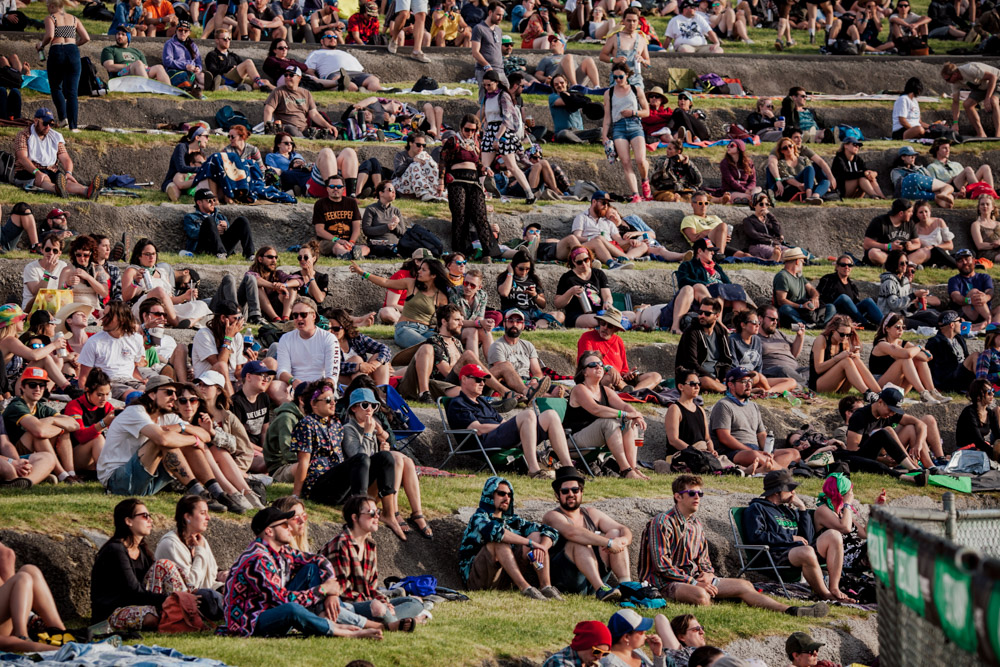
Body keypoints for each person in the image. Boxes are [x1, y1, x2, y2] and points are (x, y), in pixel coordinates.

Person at [639, 474, 828, 616]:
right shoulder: (662, 522)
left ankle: (790, 610)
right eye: (692, 493)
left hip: (695, 579)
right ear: (677, 497)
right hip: (665, 583)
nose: (697, 497)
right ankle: (710, 618)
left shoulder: (695, 524)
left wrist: (708, 573)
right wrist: (694, 582)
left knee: (745, 585)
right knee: (700, 596)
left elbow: (704, 560)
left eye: (700, 493)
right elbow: (662, 565)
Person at [223, 505, 378, 638]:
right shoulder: (258, 559)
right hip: (250, 622)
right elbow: (282, 600)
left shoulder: (282, 551)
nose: (290, 527)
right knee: (291, 609)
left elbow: (319, 560)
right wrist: (323, 589)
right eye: (284, 525)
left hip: (271, 610)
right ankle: (338, 628)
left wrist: (331, 592)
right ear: (269, 531)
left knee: (311, 569)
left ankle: (326, 619)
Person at [743, 469, 853, 602]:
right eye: (790, 489)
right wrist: (790, 538)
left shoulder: (788, 510)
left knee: (834, 535)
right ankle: (825, 594)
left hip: (797, 551)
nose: (793, 492)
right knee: (806, 551)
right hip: (774, 554)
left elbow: (808, 538)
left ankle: (834, 588)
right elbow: (756, 536)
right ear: (777, 492)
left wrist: (802, 509)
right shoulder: (757, 508)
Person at [447, 363, 572, 479]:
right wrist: (513, 426)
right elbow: (477, 429)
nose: (483, 384)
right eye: (478, 379)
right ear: (464, 379)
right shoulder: (458, 403)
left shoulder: (482, 401)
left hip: (503, 437)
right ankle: (534, 470)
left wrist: (513, 426)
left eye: (484, 380)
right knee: (528, 414)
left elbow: (502, 422)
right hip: (485, 442)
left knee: (551, 415)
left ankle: (569, 469)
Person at [320, 495, 425, 629]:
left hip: (366, 602)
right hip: (345, 604)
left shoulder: (370, 545)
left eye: (378, 512)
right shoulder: (340, 545)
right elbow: (342, 591)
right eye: (371, 513)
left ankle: (391, 619)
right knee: (378, 608)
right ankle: (398, 622)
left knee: (415, 602)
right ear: (354, 517)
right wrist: (375, 604)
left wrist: (383, 601)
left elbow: (371, 587)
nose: (377, 516)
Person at [457, 475, 561, 600]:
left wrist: (541, 547)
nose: (507, 498)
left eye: (509, 495)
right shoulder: (479, 517)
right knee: (499, 542)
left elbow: (550, 531)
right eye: (501, 493)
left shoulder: (513, 520)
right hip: (478, 579)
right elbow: (496, 532)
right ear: (490, 494)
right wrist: (529, 542)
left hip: (505, 579)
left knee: (537, 535)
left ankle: (546, 587)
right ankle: (526, 588)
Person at [543, 468, 633, 601]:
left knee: (615, 533)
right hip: (567, 580)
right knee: (579, 540)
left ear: (581, 492)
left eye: (575, 490)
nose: (571, 494)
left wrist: (623, 540)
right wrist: (608, 543)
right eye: (565, 491)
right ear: (557, 495)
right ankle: (601, 589)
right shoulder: (552, 516)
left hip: (590, 579)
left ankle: (627, 587)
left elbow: (622, 528)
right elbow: (572, 532)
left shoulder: (591, 513)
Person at [90, 499, 175, 631]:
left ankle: (181, 605)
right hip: (111, 612)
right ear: (128, 521)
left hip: (136, 604)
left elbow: (150, 583)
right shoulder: (116, 550)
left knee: (164, 565)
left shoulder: (142, 550)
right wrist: (169, 600)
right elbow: (134, 591)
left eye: (149, 516)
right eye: (144, 516)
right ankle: (176, 608)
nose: (150, 520)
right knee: (150, 618)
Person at [567, 352, 648, 481]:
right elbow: (596, 409)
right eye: (593, 365)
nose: (598, 367)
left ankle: (633, 469)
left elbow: (624, 406)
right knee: (609, 422)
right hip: (574, 441)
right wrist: (626, 414)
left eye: (600, 364)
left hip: (595, 437)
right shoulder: (579, 389)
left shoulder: (605, 390)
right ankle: (625, 470)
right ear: (584, 372)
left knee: (628, 422)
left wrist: (636, 416)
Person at [194, 370, 265, 510]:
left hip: (228, 463)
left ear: (219, 391)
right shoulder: (192, 410)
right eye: (200, 384)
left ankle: (246, 493)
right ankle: (242, 491)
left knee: (222, 451)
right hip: (205, 462)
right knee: (218, 450)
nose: (201, 388)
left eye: (207, 385)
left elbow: (242, 448)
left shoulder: (228, 416)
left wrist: (235, 470)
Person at [710, 367, 801, 470]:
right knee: (754, 455)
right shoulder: (724, 405)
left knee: (794, 453)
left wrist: (767, 452)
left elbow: (761, 434)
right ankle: (780, 470)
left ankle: (768, 469)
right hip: (735, 451)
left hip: (756, 450)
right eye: (744, 381)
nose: (749, 385)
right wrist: (750, 450)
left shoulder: (753, 406)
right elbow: (724, 438)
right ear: (731, 385)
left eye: (750, 381)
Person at [3, 367, 80, 483]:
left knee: (63, 431)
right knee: (39, 435)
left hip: (34, 453)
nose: (38, 389)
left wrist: (52, 421)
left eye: (42, 385)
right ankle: (63, 476)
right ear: (22, 387)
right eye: (32, 385)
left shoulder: (40, 407)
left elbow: (75, 424)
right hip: (12, 455)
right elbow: (39, 431)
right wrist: (59, 427)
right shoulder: (17, 405)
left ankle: (71, 474)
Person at [350, 258, 450, 348]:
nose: (419, 271)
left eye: (423, 270)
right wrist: (362, 273)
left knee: (444, 344)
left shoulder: (440, 296)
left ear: (433, 275)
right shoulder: (411, 283)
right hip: (405, 328)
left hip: (425, 330)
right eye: (420, 268)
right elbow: (385, 282)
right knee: (428, 346)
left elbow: (446, 318)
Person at [153, 495, 225, 616]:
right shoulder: (171, 544)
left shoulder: (201, 540)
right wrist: (200, 552)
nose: (208, 518)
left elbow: (209, 579)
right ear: (187, 517)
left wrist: (223, 586)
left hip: (203, 592)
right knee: (209, 597)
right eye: (203, 513)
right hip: (184, 599)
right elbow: (191, 585)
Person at [845, 386, 939, 476]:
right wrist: (881, 460)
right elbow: (853, 452)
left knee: (911, 428)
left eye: (894, 411)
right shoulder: (860, 416)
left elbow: (921, 424)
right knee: (888, 430)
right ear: (880, 402)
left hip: (888, 452)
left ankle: (930, 467)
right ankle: (914, 467)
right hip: (867, 457)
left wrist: (918, 444)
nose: (891, 414)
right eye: (890, 410)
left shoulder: (890, 413)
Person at [11, 109, 103, 199]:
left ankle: (87, 191)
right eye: (45, 123)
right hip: (29, 170)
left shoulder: (55, 136)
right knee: (45, 179)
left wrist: (68, 172)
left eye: (51, 124)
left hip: (51, 169)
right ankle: (56, 189)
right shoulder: (23, 135)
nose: (48, 127)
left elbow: (65, 157)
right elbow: (22, 158)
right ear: (36, 121)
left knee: (66, 180)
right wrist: (37, 172)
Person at [123, 239, 210, 328]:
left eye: (153, 254)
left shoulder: (162, 272)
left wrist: (184, 297)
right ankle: (176, 323)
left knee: (201, 305)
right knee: (158, 291)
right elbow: (126, 297)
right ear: (139, 256)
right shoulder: (132, 270)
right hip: (143, 307)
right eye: (147, 254)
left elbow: (169, 299)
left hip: (165, 309)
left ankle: (191, 321)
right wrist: (135, 283)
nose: (151, 257)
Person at [870, 312, 950, 405]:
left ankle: (932, 391)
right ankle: (923, 393)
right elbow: (907, 354)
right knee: (905, 360)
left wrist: (917, 352)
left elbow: (926, 357)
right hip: (879, 385)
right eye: (897, 327)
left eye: (903, 327)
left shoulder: (903, 343)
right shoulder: (882, 344)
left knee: (917, 360)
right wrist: (919, 347)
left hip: (897, 385)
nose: (901, 330)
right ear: (887, 328)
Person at [480, 70, 533, 206]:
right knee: (484, 166)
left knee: (511, 166)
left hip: (502, 131)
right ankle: (478, 193)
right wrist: (484, 130)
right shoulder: (488, 96)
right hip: (490, 130)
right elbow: (485, 115)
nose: (487, 88)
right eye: (485, 85)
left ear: (496, 83)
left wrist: (497, 137)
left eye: (489, 85)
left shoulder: (503, 96)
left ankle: (529, 193)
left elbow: (507, 118)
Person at [578, 308, 662, 392]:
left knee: (656, 376)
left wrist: (628, 374)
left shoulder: (619, 341)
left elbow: (624, 370)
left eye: (610, 326)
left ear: (616, 329)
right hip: (600, 377)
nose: (605, 328)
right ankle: (637, 390)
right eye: (603, 323)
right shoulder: (587, 337)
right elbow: (586, 363)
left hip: (621, 380)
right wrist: (608, 368)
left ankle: (633, 392)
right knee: (609, 378)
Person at [75, 301, 145, 400]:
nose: (102, 319)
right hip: (109, 383)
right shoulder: (94, 342)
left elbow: (133, 367)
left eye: (108, 316)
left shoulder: (136, 338)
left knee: (155, 392)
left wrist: (142, 380)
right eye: (104, 315)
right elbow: (84, 376)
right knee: (136, 396)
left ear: (122, 320)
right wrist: (85, 398)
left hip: (131, 381)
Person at [602, 63, 651, 205]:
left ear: (627, 76)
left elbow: (647, 112)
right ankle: (635, 194)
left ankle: (645, 181)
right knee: (625, 162)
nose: (618, 80)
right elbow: (607, 117)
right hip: (619, 127)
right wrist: (604, 135)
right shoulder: (609, 93)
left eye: (620, 77)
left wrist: (633, 112)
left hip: (635, 124)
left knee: (641, 160)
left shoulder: (636, 90)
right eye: (615, 77)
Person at [38, 0, 89, 131]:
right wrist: (72, 45)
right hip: (73, 52)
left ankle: (63, 118)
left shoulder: (51, 18)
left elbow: (50, 35)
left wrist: (41, 45)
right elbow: (86, 38)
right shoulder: (74, 19)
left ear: (53, 6)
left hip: (57, 51)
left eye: (47, 6)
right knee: (72, 92)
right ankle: (74, 127)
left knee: (56, 87)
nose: (47, 8)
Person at [275, 298, 340, 394]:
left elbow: (332, 375)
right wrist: (293, 381)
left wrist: (322, 391)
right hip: (296, 386)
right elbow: (282, 371)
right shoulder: (286, 338)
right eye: (295, 315)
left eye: (303, 315)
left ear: (313, 316)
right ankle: (294, 408)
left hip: (321, 386)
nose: (299, 318)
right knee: (274, 387)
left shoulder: (329, 338)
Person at [729, 310, 797, 393]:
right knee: (757, 375)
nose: (758, 325)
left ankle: (768, 392)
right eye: (754, 322)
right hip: (740, 379)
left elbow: (759, 365)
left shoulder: (757, 340)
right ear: (743, 325)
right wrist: (754, 376)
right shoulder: (733, 340)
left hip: (757, 378)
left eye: (758, 322)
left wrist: (759, 378)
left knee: (791, 382)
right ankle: (765, 391)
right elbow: (734, 367)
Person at [62, 368, 115, 476]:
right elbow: (80, 436)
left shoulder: (107, 406)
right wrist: (103, 423)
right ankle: (108, 475)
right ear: (87, 390)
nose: (104, 399)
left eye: (107, 394)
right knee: (98, 438)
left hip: (94, 455)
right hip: (74, 456)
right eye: (99, 394)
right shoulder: (75, 406)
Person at [814, 473, 869, 574]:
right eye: (850, 491)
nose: (852, 494)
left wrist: (877, 508)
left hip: (857, 552)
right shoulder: (822, 510)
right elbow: (845, 528)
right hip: (841, 558)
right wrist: (847, 504)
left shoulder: (842, 512)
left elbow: (865, 533)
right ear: (842, 494)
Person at [191, 302, 250, 397]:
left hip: (233, 382)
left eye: (241, 318)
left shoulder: (237, 336)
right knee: (222, 366)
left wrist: (249, 366)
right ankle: (232, 406)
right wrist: (228, 338)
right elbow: (219, 366)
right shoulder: (204, 334)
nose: (239, 323)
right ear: (223, 318)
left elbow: (237, 372)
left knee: (267, 364)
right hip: (210, 383)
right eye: (236, 318)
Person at [262, 66, 338, 138]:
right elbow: (268, 110)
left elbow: (314, 114)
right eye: (286, 75)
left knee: (329, 135)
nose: (288, 77)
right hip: (286, 128)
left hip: (304, 129)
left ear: (299, 78)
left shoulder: (306, 93)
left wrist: (328, 126)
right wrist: (268, 129)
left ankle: (308, 138)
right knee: (291, 129)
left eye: (291, 75)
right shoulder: (278, 91)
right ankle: (305, 139)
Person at [570, 192, 640, 270]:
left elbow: (619, 241)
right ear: (594, 202)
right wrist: (592, 238)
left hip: (610, 246)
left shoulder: (608, 221)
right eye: (603, 203)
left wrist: (631, 241)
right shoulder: (582, 217)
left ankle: (627, 257)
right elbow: (576, 237)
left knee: (642, 244)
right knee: (599, 239)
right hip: (591, 246)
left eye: (607, 204)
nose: (606, 206)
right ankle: (625, 258)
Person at [676, 297, 732, 393]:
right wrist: (712, 379)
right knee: (705, 381)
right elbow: (691, 364)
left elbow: (726, 360)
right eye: (700, 312)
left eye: (707, 314)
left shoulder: (721, 332)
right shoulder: (692, 332)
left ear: (717, 316)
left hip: (718, 377)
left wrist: (725, 377)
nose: (702, 316)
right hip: (696, 376)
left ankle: (727, 388)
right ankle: (731, 391)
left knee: (748, 376)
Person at [181, 189, 255, 260]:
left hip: (223, 247)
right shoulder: (190, 217)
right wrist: (212, 230)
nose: (213, 203)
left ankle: (250, 254)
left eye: (214, 200)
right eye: (209, 201)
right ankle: (220, 253)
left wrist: (226, 228)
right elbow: (192, 233)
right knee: (209, 220)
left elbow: (229, 235)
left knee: (242, 220)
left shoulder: (220, 216)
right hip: (204, 248)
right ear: (199, 202)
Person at [305, 30, 385, 92]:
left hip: (356, 72)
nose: (333, 38)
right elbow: (309, 70)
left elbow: (360, 69)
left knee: (373, 80)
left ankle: (379, 92)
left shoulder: (343, 52)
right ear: (322, 41)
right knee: (349, 85)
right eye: (329, 36)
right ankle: (360, 90)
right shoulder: (316, 53)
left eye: (335, 37)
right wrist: (319, 82)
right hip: (336, 73)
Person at [816, 255, 882, 330]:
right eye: (843, 265)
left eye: (849, 265)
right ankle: (864, 323)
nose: (846, 267)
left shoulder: (852, 285)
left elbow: (855, 303)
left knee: (868, 301)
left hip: (850, 313)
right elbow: (818, 295)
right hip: (835, 310)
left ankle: (886, 324)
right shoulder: (828, 279)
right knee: (844, 298)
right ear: (837, 267)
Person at [773, 248, 835, 328]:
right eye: (803, 262)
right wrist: (801, 306)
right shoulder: (782, 276)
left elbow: (811, 289)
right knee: (785, 309)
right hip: (795, 309)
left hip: (806, 311)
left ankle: (814, 325)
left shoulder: (799, 276)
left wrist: (814, 298)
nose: (803, 265)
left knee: (831, 307)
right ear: (797, 261)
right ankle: (807, 325)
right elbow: (781, 301)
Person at [878, 250, 940, 329]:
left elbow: (904, 307)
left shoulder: (905, 281)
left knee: (929, 315)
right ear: (894, 264)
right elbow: (894, 305)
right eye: (902, 263)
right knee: (927, 325)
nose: (905, 266)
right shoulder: (889, 282)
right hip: (892, 319)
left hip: (904, 316)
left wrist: (913, 307)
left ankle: (950, 325)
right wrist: (913, 295)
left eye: (906, 263)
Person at [554, 247, 613, 330]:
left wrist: (607, 303)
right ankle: (610, 324)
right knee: (600, 320)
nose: (584, 264)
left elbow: (607, 295)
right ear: (573, 262)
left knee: (630, 315)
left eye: (586, 260)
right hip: (578, 316)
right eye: (579, 262)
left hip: (600, 312)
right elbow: (557, 304)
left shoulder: (598, 273)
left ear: (590, 258)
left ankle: (609, 324)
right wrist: (571, 292)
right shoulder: (567, 278)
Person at [328, 308, 390, 386]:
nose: (331, 332)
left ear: (345, 327)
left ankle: (383, 393)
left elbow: (384, 348)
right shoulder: (326, 343)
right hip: (340, 380)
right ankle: (364, 392)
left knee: (380, 358)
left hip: (362, 375)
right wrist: (358, 366)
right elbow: (330, 366)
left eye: (336, 329)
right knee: (356, 359)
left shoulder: (357, 338)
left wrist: (376, 363)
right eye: (328, 328)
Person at [312, 174, 367, 259]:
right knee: (337, 246)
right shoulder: (320, 204)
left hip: (348, 241)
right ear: (327, 188)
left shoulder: (351, 203)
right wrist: (338, 240)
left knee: (366, 248)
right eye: (332, 186)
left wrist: (351, 242)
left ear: (343, 189)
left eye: (338, 186)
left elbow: (356, 228)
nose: (335, 189)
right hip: (329, 241)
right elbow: (319, 231)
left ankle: (353, 253)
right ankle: (350, 255)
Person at [942, 61, 1000, 138]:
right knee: (967, 104)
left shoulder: (970, 69)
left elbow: (993, 77)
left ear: (955, 74)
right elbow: (955, 102)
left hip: (996, 81)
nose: (947, 82)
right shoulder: (955, 83)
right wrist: (955, 123)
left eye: (948, 79)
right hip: (981, 86)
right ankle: (981, 134)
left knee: (993, 100)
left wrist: (987, 98)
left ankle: (998, 134)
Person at [264, 382, 308, 482]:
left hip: (298, 462)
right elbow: (289, 453)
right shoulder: (287, 418)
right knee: (310, 467)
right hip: (281, 468)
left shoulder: (308, 417)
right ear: (301, 399)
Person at [205, 30, 273, 91]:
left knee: (265, 81)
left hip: (238, 79)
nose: (228, 41)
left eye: (229, 39)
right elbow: (212, 71)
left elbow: (244, 69)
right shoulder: (212, 55)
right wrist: (229, 68)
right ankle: (259, 84)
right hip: (223, 78)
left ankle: (277, 90)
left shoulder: (233, 56)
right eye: (225, 39)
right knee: (248, 62)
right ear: (217, 40)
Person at [767, 136, 827, 205]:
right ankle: (809, 196)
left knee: (825, 181)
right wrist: (799, 185)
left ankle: (815, 196)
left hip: (807, 184)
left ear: (794, 146)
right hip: (792, 186)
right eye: (785, 148)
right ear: (781, 151)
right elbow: (786, 177)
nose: (788, 149)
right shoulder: (781, 163)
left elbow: (811, 174)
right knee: (808, 169)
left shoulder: (804, 159)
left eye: (790, 146)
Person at [862, 199, 923, 267]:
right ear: (901, 213)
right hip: (886, 255)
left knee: (924, 252)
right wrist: (889, 246)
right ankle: (906, 264)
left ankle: (901, 264)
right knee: (873, 253)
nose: (912, 214)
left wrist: (911, 246)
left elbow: (917, 243)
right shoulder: (879, 222)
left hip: (904, 256)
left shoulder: (910, 223)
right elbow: (867, 244)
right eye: (909, 212)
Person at [926, 310, 976, 393]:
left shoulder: (959, 338)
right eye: (959, 321)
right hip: (949, 379)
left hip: (962, 375)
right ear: (952, 325)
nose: (961, 324)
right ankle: (981, 387)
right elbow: (933, 368)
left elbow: (966, 357)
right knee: (975, 356)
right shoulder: (935, 342)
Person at [102, 25, 170, 84]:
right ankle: (147, 85)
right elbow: (110, 67)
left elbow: (145, 67)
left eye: (123, 34)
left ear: (128, 37)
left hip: (139, 73)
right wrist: (130, 65)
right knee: (138, 63)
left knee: (159, 67)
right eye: (118, 34)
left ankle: (169, 90)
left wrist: (139, 66)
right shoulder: (109, 49)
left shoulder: (137, 51)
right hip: (120, 76)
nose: (119, 36)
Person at [949, 247, 999, 327]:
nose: (964, 262)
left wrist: (986, 297)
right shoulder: (954, 280)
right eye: (960, 261)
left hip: (984, 312)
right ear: (957, 264)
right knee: (974, 292)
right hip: (966, 315)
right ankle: (989, 322)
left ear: (973, 260)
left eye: (967, 259)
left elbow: (990, 292)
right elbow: (955, 297)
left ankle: (992, 328)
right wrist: (969, 300)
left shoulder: (984, 277)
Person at [600, 7, 648, 88]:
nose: (631, 23)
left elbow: (648, 62)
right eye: (629, 20)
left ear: (638, 22)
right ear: (623, 21)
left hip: (636, 79)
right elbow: (602, 56)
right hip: (618, 78)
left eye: (634, 21)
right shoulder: (615, 37)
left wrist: (643, 60)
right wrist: (613, 59)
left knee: (638, 95)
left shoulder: (642, 39)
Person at [923, 138, 993, 194]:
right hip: (951, 187)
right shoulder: (932, 167)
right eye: (944, 148)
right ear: (937, 150)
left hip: (966, 185)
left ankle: (992, 193)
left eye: (949, 148)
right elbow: (933, 187)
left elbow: (967, 177)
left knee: (985, 167)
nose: (948, 150)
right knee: (968, 169)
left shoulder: (956, 164)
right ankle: (979, 193)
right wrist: (950, 180)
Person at [231, 360, 274, 450]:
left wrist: (266, 450)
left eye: (267, 377)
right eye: (262, 375)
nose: (266, 379)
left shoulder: (264, 397)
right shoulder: (236, 402)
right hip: (244, 448)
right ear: (248, 377)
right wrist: (264, 453)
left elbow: (264, 431)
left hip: (259, 448)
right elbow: (241, 440)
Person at [956, 378, 1000, 458]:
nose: (992, 394)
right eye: (989, 392)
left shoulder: (990, 413)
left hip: (980, 448)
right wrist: (994, 454)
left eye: (993, 391)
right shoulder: (969, 412)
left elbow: (998, 435)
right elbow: (978, 440)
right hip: (965, 450)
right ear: (978, 396)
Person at [361, 182, 405, 257]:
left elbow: (403, 232)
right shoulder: (371, 209)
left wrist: (395, 225)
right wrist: (387, 227)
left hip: (394, 243)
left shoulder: (396, 210)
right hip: (378, 243)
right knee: (383, 249)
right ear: (381, 193)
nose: (394, 192)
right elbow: (367, 230)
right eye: (390, 190)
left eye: (395, 190)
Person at [543, 620, 613, 667]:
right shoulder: (560, 662)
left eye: (605, 654)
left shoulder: (586, 662)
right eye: (597, 651)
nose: (599, 657)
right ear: (584, 645)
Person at [471, 2, 507, 90]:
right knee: (486, 97)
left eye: (502, 15)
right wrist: (487, 66)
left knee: (506, 93)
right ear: (490, 12)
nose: (500, 18)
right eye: (498, 15)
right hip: (485, 71)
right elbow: (475, 52)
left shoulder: (499, 30)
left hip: (500, 70)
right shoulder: (479, 28)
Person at [162, 22, 205, 94]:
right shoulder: (169, 44)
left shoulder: (193, 45)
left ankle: (206, 86)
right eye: (180, 30)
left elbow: (198, 61)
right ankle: (197, 88)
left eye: (186, 30)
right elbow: (167, 61)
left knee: (201, 76)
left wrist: (198, 68)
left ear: (189, 32)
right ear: (176, 31)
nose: (183, 32)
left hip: (192, 71)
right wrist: (185, 66)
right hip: (176, 71)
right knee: (185, 77)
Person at [718, 140, 758, 205]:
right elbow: (731, 181)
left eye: (732, 146)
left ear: (739, 149)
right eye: (728, 145)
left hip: (747, 190)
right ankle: (755, 198)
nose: (728, 147)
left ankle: (753, 197)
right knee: (750, 196)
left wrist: (748, 189)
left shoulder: (749, 163)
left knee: (758, 188)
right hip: (731, 190)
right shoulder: (724, 163)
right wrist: (744, 191)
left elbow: (753, 180)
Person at [971, 195, 1000, 262]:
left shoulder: (998, 224)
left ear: (992, 207)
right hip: (987, 253)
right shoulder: (976, 224)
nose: (985, 206)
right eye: (982, 204)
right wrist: (994, 245)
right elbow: (979, 245)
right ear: (979, 207)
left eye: (987, 204)